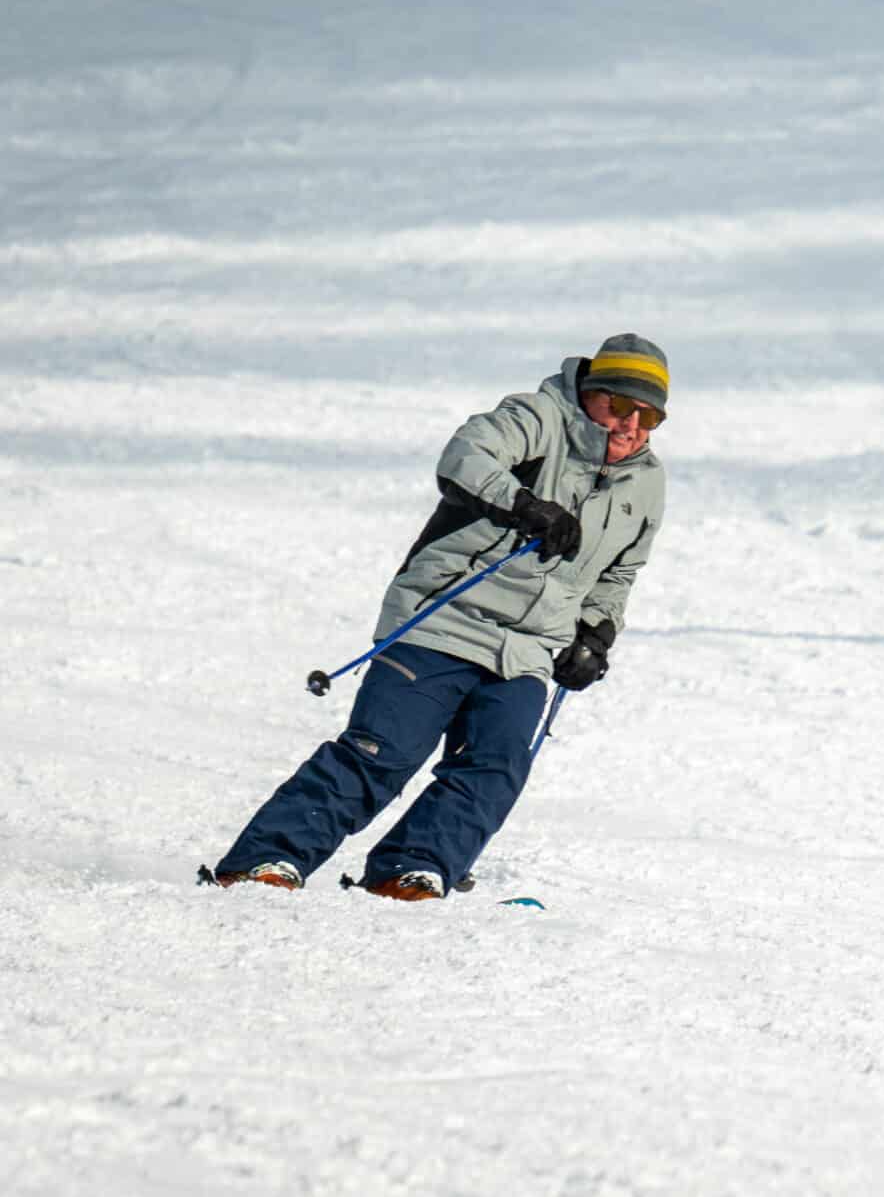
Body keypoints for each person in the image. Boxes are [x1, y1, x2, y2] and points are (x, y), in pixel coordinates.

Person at [206, 334, 671, 899]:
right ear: (590, 393)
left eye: (650, 417)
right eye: (620, 406)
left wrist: (596, 634)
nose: (631, 425)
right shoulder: (538, 419)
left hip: (526, 649)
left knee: (495, 769)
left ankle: (410, 870)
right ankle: (266, 860)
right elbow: (465, 456)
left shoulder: (644, 483)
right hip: (444, 620)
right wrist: (523, 504)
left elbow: (619, 573)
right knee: (383, 754)